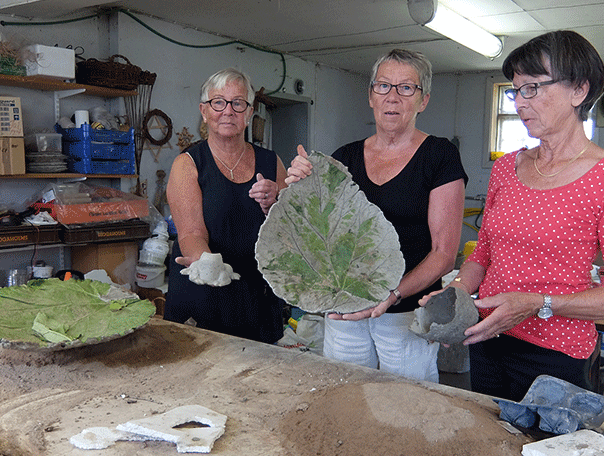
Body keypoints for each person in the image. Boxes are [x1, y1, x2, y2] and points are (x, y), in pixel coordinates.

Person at [423, 30, 604, 401]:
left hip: (556, 355)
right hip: (488, 338)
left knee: (542, 453)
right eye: (515, 90)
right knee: (495, 444)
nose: (520, 103)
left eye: (533, 88)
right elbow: (483, 254)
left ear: (579, 90)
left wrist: (537, 303)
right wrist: (458, 291)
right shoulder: (507, 168)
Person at [287, 49, 467, 382]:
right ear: (371, 96)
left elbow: (443, 254)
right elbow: (318, 236)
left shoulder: (439, 156)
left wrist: (392, 294)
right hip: (345, 309)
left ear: (423, 100)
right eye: (383, 86)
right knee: (346, 396)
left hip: (405, 313)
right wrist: (300, 187)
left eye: (406, 88)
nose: (393, 97)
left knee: (406, 409)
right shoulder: (346, 157)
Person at [163, 67, 287, 343]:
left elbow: (291, 228)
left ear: (250, 112)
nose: (228, 111)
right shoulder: (189, 164)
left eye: (238, 103)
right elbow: (191, 233)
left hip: (258, 297)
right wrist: (205, 263)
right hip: (205, 295)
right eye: (218, 102)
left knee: (257, 378)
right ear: (204, 111)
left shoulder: (271, 162)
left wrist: (276, 202)